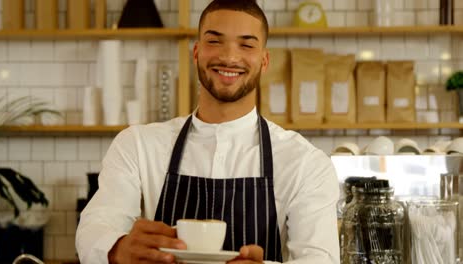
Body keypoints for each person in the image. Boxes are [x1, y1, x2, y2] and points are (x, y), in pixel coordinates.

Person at [75, 0, 340, 263]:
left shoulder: (306, 162)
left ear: (264, 61)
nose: (229, 57)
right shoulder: (137, 145)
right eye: (214, 41)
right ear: (196, 52)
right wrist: (119, 248)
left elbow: (319, 258)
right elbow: (95, 227)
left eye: (246, 44)